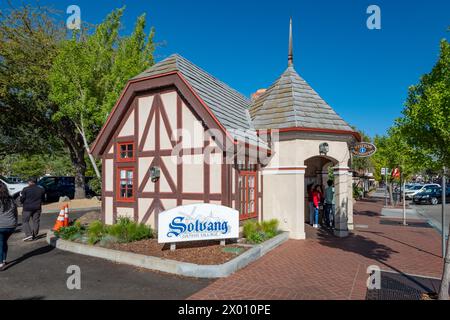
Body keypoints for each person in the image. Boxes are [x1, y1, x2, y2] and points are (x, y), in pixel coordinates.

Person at [0, 182, 18, 271]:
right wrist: (15, 224)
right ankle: (3, 260)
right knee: (3, 242)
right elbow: (15, 213)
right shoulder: (11, 199)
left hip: (1, 226)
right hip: (11, 225)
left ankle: (0, 263)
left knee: (0, 243)